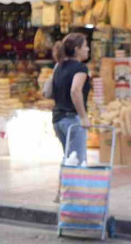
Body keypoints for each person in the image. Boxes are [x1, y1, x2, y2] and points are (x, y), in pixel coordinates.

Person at [50, 32, 91, 202]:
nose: (88, 48)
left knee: (68, 157)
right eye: (85, 46)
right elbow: (75, 91)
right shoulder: (81, 69)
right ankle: (73, 197)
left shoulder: (58, 66)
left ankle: (61, 194)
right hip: (72, 119)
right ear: (77, 50)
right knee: (77, 159)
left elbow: (47, 91)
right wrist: (84, 117)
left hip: (58, 118)